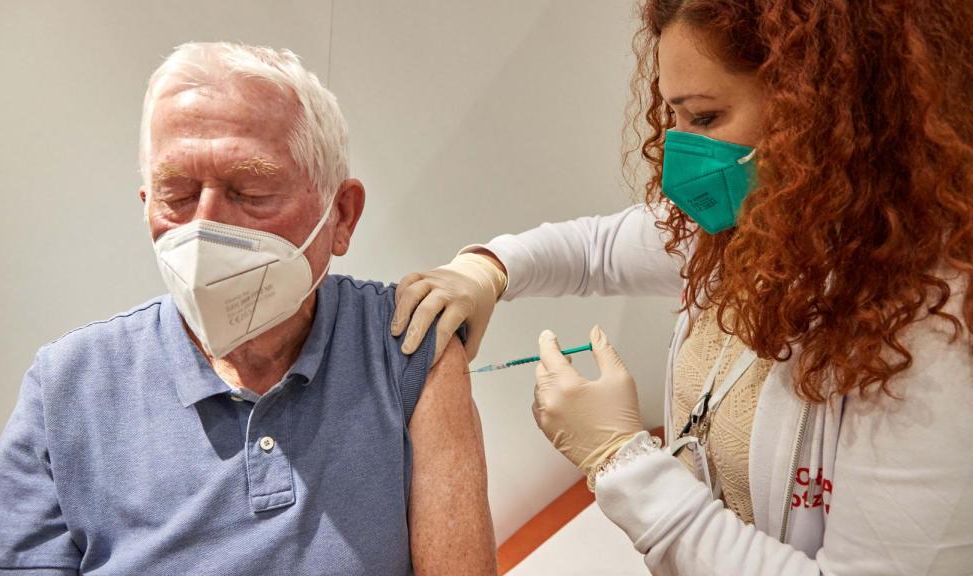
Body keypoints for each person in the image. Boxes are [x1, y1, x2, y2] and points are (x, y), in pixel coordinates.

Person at [391, 0, 973, 574]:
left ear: (824, 110)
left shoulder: (932, 335)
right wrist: (487, 269)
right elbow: (595, 251)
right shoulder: (764, 221)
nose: (680, 153)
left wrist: (621, 460)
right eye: (674, 116)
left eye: (705, 118)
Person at [0, 42, 496, 576]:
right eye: (176, 194)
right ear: (146, 205)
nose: (206, 227)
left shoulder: (405, 347)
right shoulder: (67, 389)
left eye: (251, 191)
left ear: (341, 215)